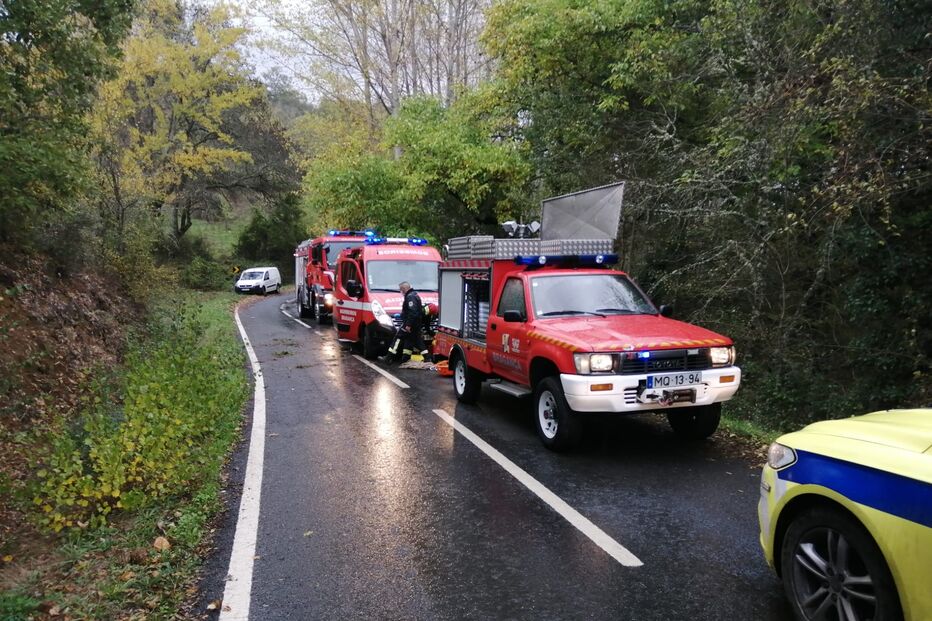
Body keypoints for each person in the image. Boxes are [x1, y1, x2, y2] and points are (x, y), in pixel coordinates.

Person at [387, 281, 428, 360]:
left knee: (398, 337)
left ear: (404, 289)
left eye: (401, 290)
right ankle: (407, 358)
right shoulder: (414, 295)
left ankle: (389, 357)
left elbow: (412, 312)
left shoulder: (410, 297)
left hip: (411, 324)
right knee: (413, 340)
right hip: (415, 324)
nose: (401, 292)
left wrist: (408, 324)